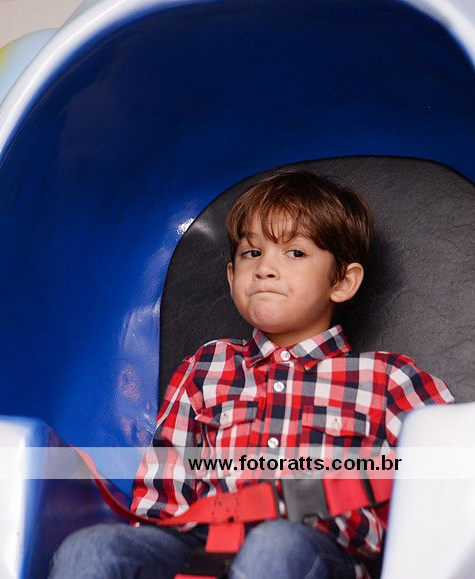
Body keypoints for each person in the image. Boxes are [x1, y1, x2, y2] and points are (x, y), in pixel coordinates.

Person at [50, 170, 453, 579]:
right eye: (252, 253)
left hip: (318, 551)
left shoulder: (386, 379)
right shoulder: (207, 367)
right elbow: (164, 493)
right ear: (232, 277)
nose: (265, 269)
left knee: (273, 546)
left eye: (295, 253)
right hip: (204, 547)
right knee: (90, 549)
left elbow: (456, 480)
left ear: (342, 282)